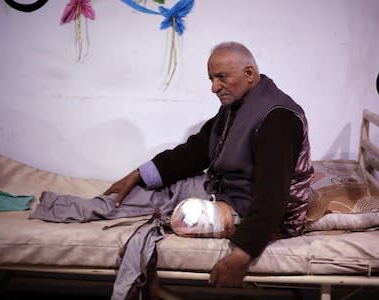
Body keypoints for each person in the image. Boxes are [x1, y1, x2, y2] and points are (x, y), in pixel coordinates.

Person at [103, 41, 314, 288]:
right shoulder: (237, 105)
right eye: (211, 79)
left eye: (222, 77)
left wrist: (241, 256)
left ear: (249, 73)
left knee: (186, 217)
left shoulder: (278, 117)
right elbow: (196, 150)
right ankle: (83, 209)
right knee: (138, 194)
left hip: (269, 215)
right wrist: (139, 174)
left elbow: (272, 197)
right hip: (230, 194)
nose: (214, 87)